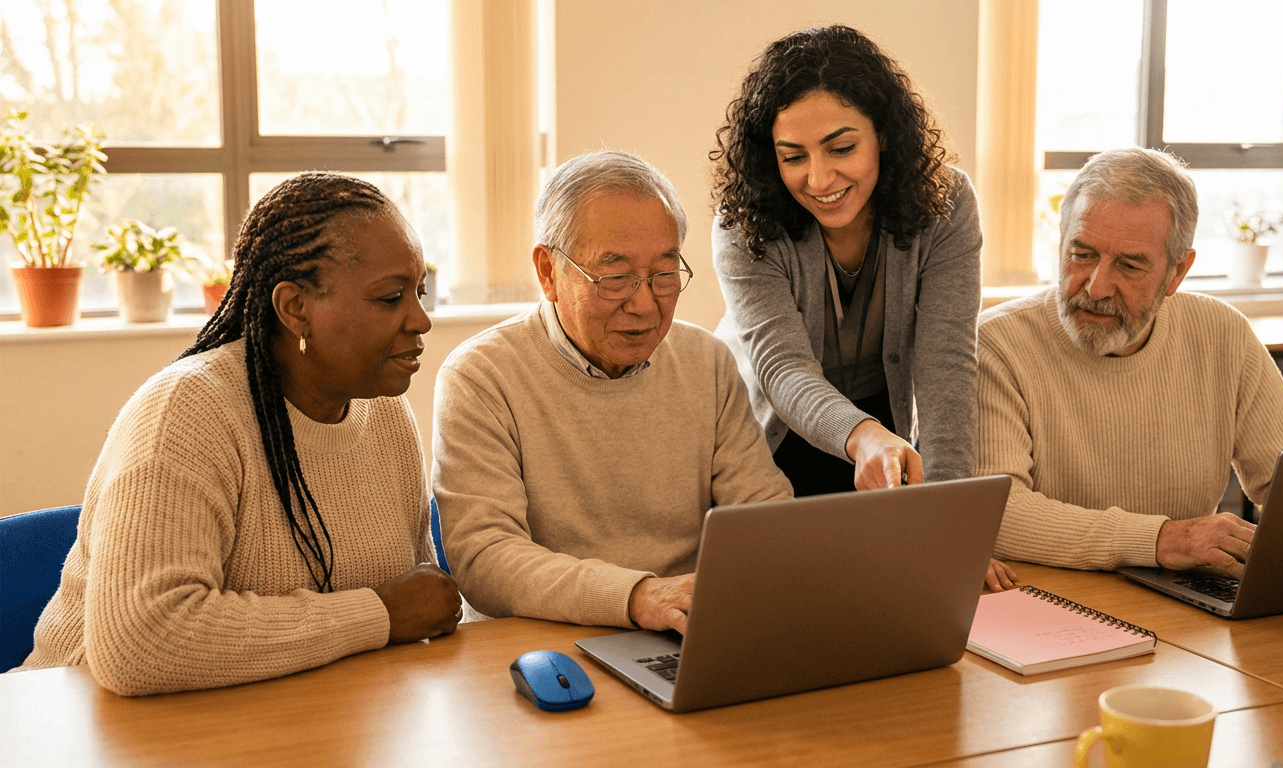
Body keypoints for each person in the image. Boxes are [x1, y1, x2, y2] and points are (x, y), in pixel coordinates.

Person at [9, 173, 462, 696]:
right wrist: (376, 614)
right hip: (86, 729)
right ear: (295, 309)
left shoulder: (384, 415)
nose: (421, 320)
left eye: (419, 291)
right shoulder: (187, 413)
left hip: (290, 716)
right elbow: (141, 644)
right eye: (390, 298)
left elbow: (418, 601)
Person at [432, 150, 792, 634]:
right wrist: (636, 596)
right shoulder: (481, 376)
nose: (644, 304)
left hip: (684, 629)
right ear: (547, 272)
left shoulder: (705, 362)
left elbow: (764, 518)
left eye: (664, 274)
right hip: (543, 642)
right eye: (615, 277)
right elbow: (485, 559)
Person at [710, 25, 1013, 590]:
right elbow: (783, 371)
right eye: (792, 156)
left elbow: (946, 363)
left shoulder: (947, 206)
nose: (818, 178)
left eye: (842, 148)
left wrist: (951, 527)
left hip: (883, 440)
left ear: (886, 137)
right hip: (774, 440)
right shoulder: (743, 223)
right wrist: (864, 436)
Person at [976, 147, 1283, 577]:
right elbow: (995, 514)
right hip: (1049, 605)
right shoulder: (996, 344)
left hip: (1183, 603)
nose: (1098, 286)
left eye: (1130, 265)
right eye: (1081, 254)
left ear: (1178, 272)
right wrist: (1161, 539)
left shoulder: (1222, 333)